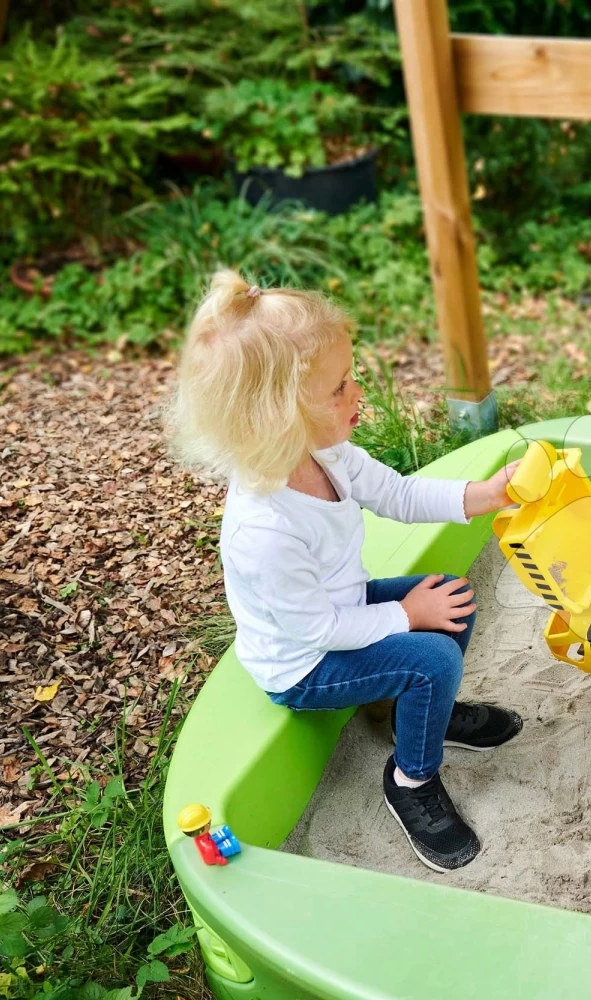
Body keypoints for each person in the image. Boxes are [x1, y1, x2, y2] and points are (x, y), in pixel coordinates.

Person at [167, 271, 522, 873]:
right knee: (433, 657)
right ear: (278, 415)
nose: (358, 393)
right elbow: (317, 630)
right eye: (338, 388)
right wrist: (408, 616)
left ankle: (416, 714)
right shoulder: (265, 529)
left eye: (348, 376)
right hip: (303, 664)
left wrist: (480, 495)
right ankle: (411, 781)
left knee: (453, 598)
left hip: (346, 613)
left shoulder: (325, 453)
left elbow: (399, 495)